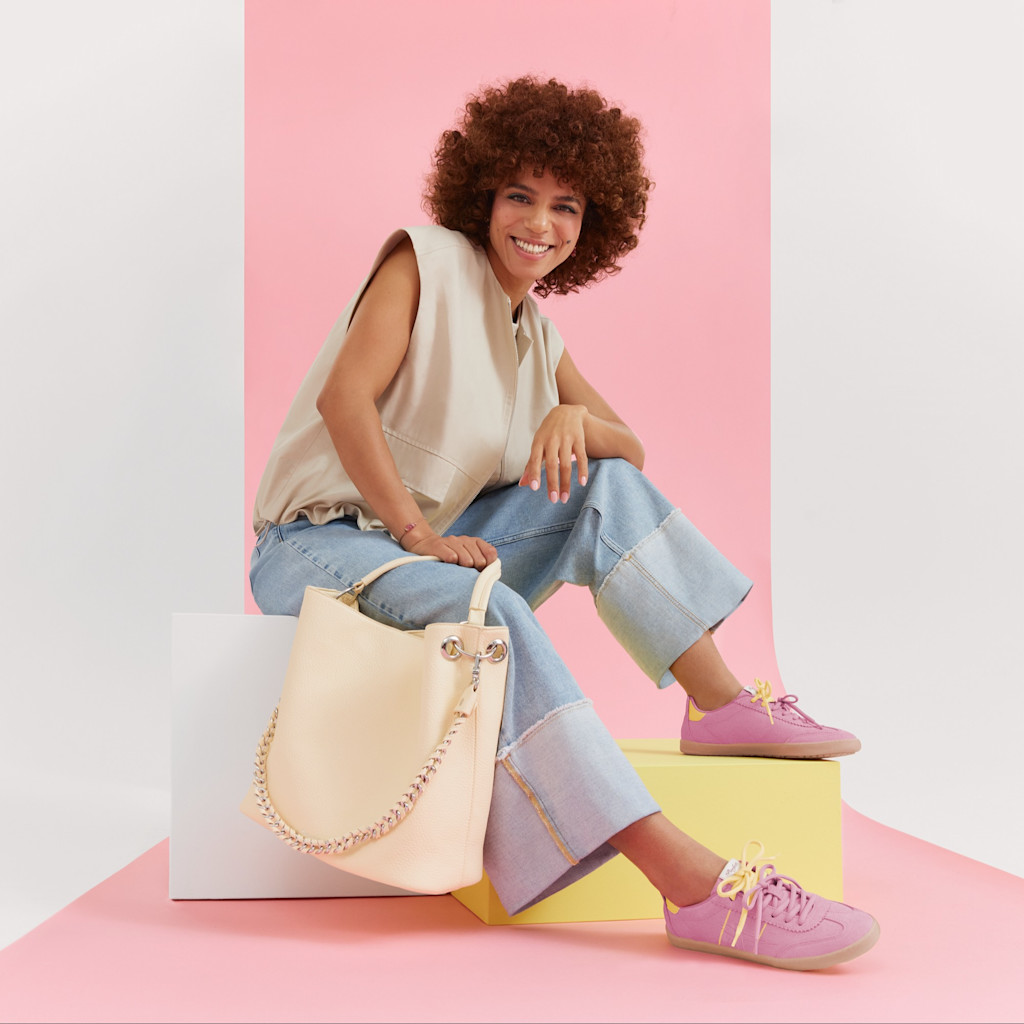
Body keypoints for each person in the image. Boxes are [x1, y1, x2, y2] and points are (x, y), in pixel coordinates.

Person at [249, 76, 879, 970]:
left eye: (566, 206)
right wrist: (419, 535)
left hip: (424, 549)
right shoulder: (423, 262)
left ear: (593, 225)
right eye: (519, 196)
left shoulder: (535, 335)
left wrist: (573, 419)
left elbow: (628, 453)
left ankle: (723, 705)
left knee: (601, 486)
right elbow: (344, 400)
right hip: (317, 544)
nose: (539, 223)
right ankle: (697, 888)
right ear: (482, 196)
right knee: (489, 612)